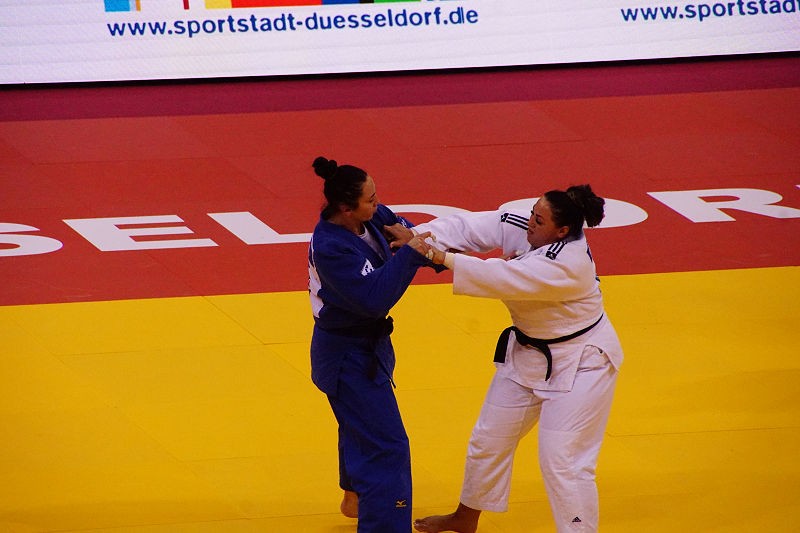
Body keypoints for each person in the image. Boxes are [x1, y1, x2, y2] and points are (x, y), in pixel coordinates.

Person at [387, 184, 624, 533]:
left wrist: (437, 256)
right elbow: (470, 227)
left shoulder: (569, 264)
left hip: (582, 363)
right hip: (529, 352)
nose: (530, 223)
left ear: (562, 231)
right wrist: (421, 235)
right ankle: (465, 517)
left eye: (539, 220)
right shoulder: (527, 227)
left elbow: (501, 276)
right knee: (489, 439)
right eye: (532, 213)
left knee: (563, 461)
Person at [307, 156, 437, 533]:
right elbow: (374, 298)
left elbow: (409, 234)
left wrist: (437, 257)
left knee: (359, 423)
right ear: (346, 208)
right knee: (387, 444)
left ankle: (356, 497)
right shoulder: (331, 247)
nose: (379, 205)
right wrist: (412, 253)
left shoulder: (372, 217)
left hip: (369, 345)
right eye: (371, 200)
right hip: (346, 355)